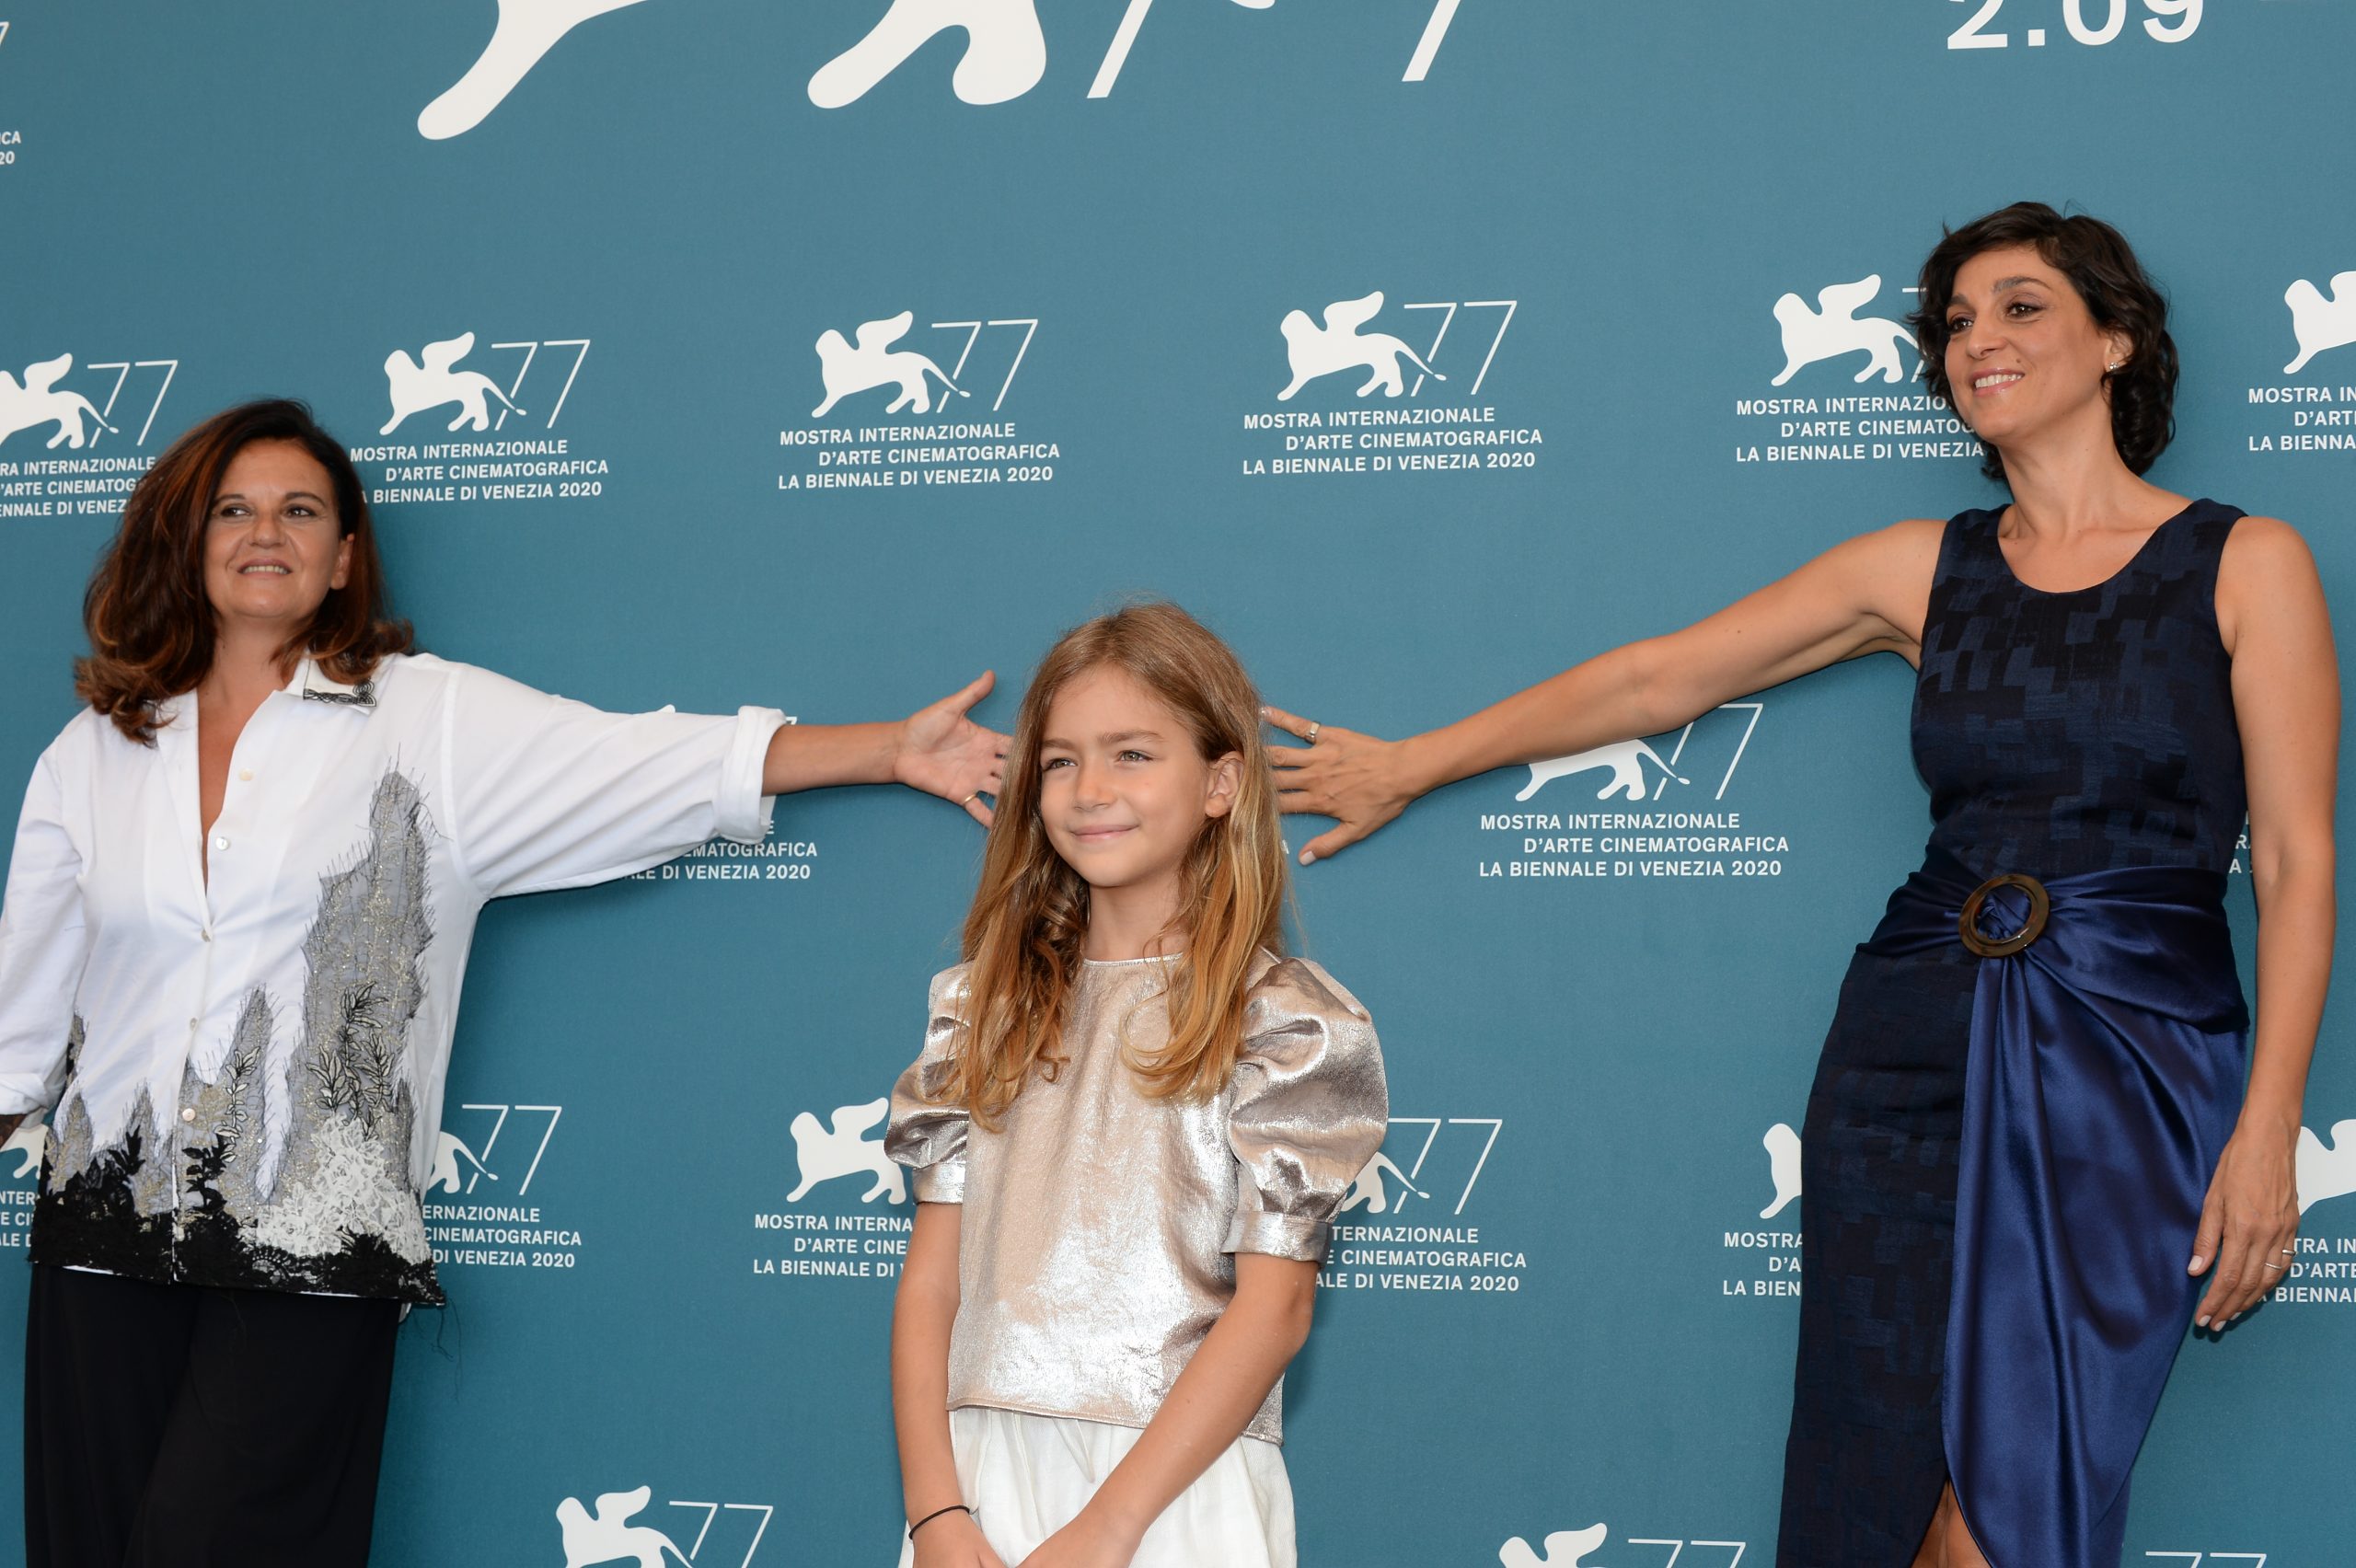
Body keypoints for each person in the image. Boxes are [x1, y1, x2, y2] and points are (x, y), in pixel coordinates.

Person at [1261, 203, 2337, 1568]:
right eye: (1956, 322)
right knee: (1877, 1481)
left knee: (2013, 1507)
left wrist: (2266, 1128)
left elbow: (2294, 861)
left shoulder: (2245, 562)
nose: (1979, 341)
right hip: (1908, 1055)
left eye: (2020, 307)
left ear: (2116, 340)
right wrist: (1414, 762)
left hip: (2134, 1064)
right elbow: (1660, 677)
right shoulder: (1922, 568)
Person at [0, 398, 1008, 1567]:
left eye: (300, 511)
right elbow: (21, 1020)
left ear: (344, 557)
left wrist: (887, 747)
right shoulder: (96, 749)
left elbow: (640, 762)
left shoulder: (426, 721)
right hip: (97, 1242)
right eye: (233, 509)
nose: (264, 532)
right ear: (189, 542)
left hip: (309, 1247)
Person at [884, 602, 1387, 1568]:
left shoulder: (1287, 1022)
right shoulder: (979, 1008)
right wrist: (936, 1512)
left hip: (1175, 1494)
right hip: (977, 1481)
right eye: (1060, 760)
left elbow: (1275, 1309)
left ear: (1221, 783)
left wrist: (1109, 1528)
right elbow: (932, 1281)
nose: (1090, 790)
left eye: (1132, 754)